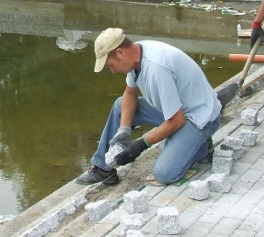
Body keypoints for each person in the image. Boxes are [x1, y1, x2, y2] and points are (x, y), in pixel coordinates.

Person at [75, 28, 222, 186]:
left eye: (110, 65)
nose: (112, 71)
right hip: (177, 110)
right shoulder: (136, 54)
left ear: (119, 53)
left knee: (164, 173)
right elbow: (130, 94)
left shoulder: (157, 68)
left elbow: (177, 121)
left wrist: (140, 145)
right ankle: (103, 169)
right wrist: (124, 129)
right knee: (120, 105)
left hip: (199, 117)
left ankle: (202, 146)